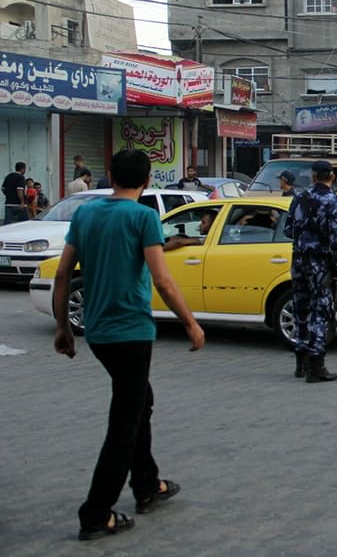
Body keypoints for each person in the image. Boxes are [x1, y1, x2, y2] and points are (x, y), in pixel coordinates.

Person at [53, 149, 204, 542]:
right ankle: (96, 513)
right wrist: (191, 323)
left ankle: (147, 485)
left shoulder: (85, 214)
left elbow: (63, 274)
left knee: (140, 403)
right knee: (124, 421)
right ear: (149, 179)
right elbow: (163, 281)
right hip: (132, 333)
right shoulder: (143, 217)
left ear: (108, 175)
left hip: (99, 332)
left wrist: (62, 328)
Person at [283, 160, 337, 383]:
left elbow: (288, 229)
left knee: (301, 310)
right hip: (319, 264)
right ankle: (316, 366)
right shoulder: (331, 201)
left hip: (298, 261)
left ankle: (300, 362)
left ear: (313, 176)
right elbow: (335, 238)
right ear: (331, 176)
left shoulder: (299, 198)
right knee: (320, 312)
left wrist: (305, 236)